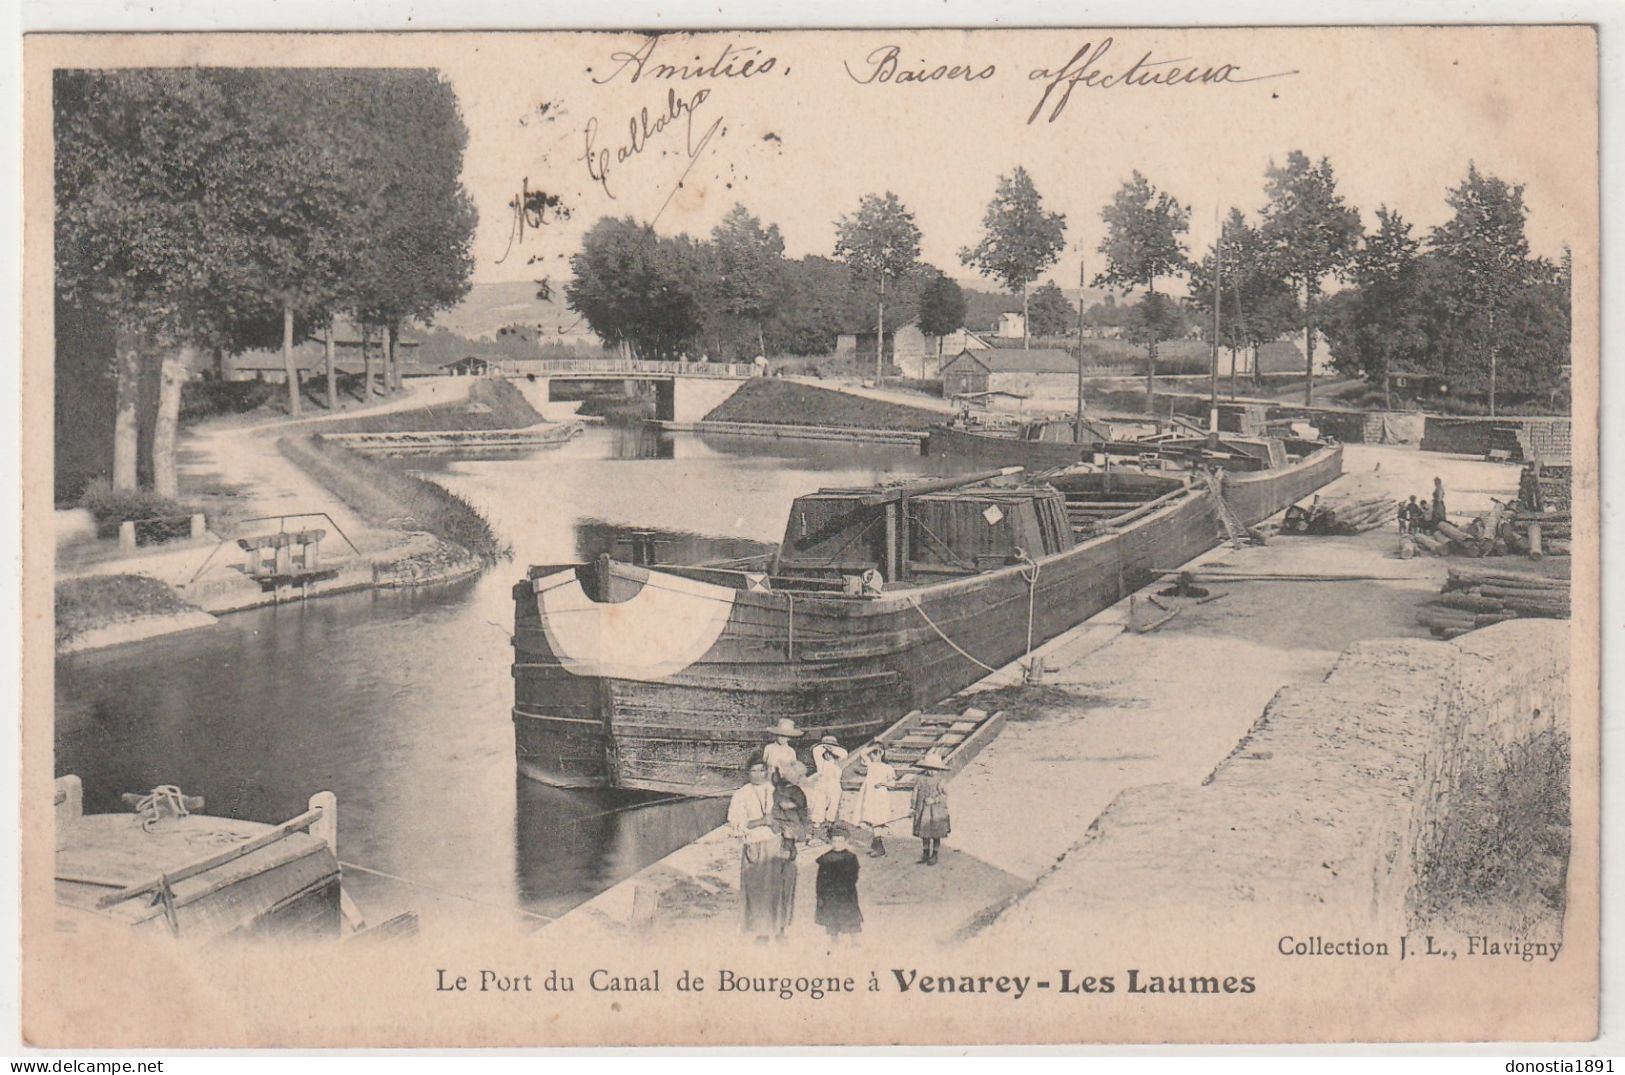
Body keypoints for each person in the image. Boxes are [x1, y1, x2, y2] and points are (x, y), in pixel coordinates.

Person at [727, 760, 789, 942]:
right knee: (756, 889)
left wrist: (779, 825)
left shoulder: (775, 790)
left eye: (761, 770)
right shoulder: (741, 794)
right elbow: (735, 823)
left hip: (775, 843)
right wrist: (761, 821)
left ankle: (779, 929)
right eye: (753, 771)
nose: (757, 774)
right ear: (748, 773)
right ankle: (761, 932)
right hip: (754, 845)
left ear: (766, 772)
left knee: (778, 887)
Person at [814, 826, 864, 946]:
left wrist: (845, 886)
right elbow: (820, 879)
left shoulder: (851, 858)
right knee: (832, 917)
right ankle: (834, 941)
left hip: (846, 893)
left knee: (851, 917)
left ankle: (855, 941)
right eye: (834, 841)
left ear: (846, 842)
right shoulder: (825, 859)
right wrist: (820, 896)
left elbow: (854, 876)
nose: (837, 844)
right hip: (830, 894)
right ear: (831, 841)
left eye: (840, 841)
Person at [911, 753, 952, 866]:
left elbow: (945, 795)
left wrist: (934, 800)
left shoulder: (941, 781)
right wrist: (913, 807)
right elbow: (915, 793)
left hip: (936, 812)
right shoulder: (920, 779)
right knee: (924, 833)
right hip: (923, 811)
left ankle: (934, 854)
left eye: (934, 769)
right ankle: (925, 853)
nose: (931, 772)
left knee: (936, 833)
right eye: (929, 769)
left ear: (939, 769)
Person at [857, 745, 897, 857]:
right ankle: (875, 846)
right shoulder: (871, 765)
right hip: (870, 796)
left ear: (881, 753)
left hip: (880, 796)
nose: (873, 756)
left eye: (876, 753)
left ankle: (880, 849)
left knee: (877, 820)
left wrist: (883, 783)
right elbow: (862, 753)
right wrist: (875, 746)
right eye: (872, 754)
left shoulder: (887, 767)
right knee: (870, 819)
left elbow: (893, 784)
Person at [808, 734, 848, 837]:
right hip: (822, 783)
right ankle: (816, 830)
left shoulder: (838, 761)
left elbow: (844, 753)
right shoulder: (820, 760)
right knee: (818, 805)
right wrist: (825, 747)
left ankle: (829, 828)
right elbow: (816, 750)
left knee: (833, 806)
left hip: (834, 785)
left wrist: (832, 750)